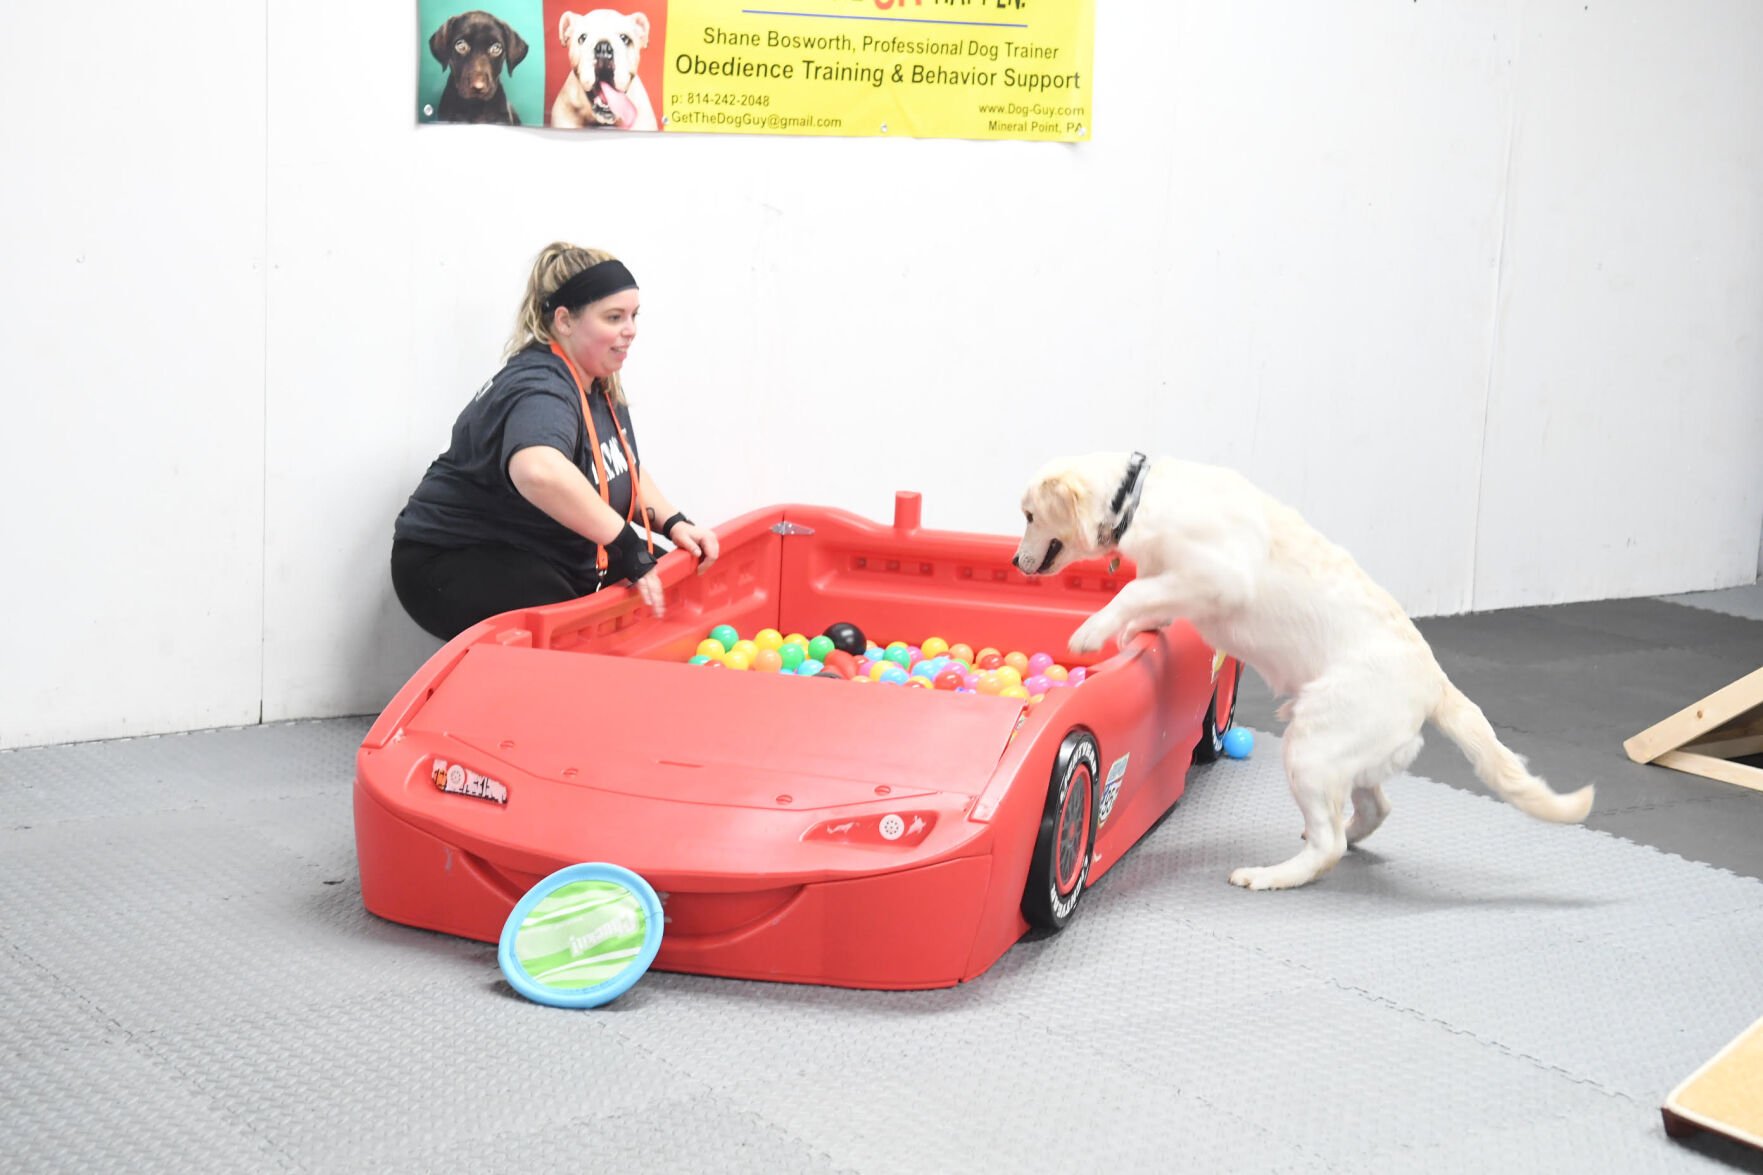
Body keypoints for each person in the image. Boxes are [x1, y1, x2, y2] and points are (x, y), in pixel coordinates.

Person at [390, 242, 719, 640]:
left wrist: (674, 522)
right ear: (564, 321)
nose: (630, 330)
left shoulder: (598, 381)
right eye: (614, 317)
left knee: (682, 596)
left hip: (537, 551)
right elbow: (537, 471)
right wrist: (624, 544)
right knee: (572, 628)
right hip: (450, 560)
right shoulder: (541, 387)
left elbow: (619, 467)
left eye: (633, 316)